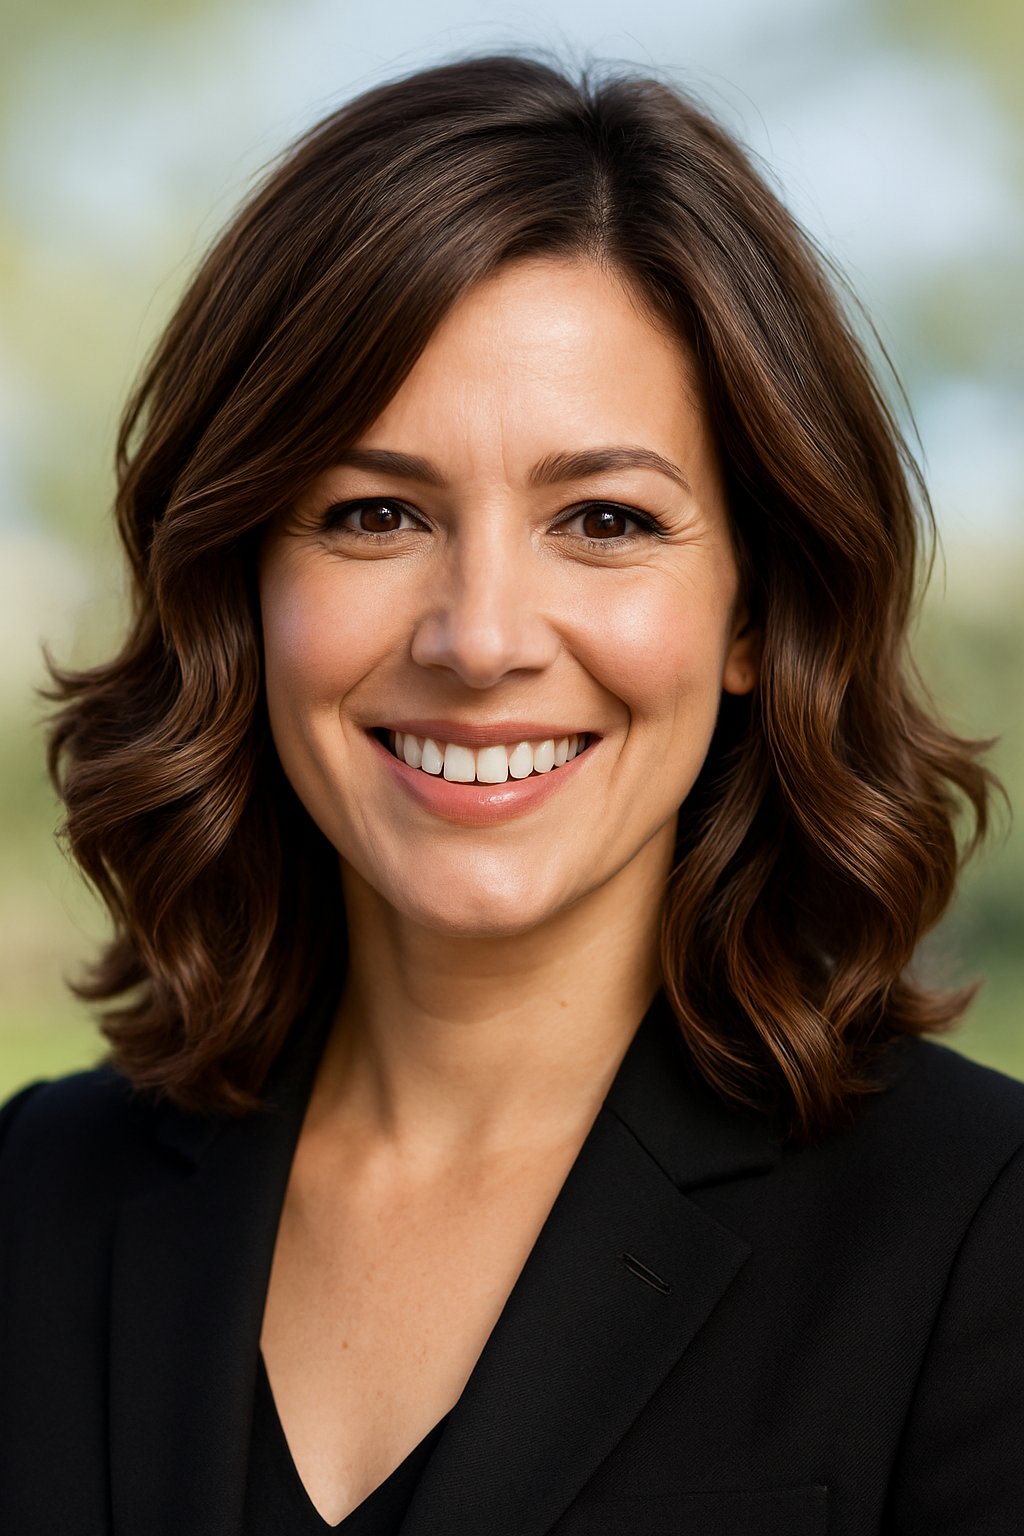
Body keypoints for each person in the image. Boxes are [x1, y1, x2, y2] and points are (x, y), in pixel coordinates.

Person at [1, 50, 1022, 1536]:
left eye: (604, 519)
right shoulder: (32, 1202)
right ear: (243, 585)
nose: (479, 637)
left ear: (754, 611)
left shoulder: (978, 1232)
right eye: (373, 515)